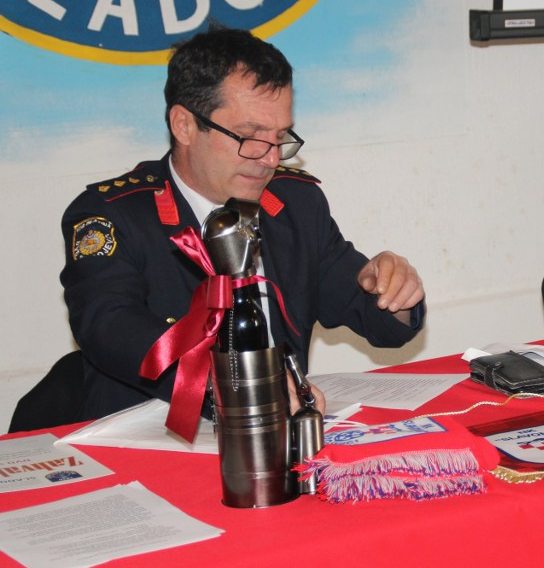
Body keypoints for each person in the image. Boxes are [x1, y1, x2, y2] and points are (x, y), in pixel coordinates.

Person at [60, 27, 425, 422]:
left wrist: (395, 293)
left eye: (280, 137)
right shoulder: (113, 214)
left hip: (276, 436)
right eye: (250, 136)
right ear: (184, 125)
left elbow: (381, 324)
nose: (270, 159)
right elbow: (109, 325)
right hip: (150, 435)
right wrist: (238, 385)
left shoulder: (296, 204)